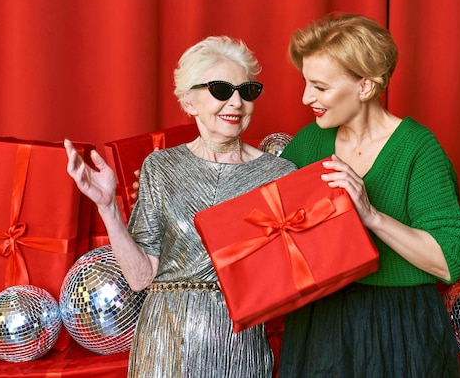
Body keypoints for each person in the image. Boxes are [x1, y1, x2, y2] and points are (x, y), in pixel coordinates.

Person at [64, 36, 296, 377]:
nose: (236, 103)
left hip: (239, 345)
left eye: (246, 92)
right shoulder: (161, 167)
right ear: (189, 101)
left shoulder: (279, 174)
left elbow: (290, 276)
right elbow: (141, 277)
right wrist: (107, 206)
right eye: (221, 90)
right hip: (163, 343)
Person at [277, 13, 460, 377]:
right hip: (320, 324)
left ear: (366, 87)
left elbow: (449, 260)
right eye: (306, 83)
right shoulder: (308, 142)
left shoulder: (417, 149)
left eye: (320, 87)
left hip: (399, 326)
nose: (306, 97)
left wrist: (370, 214)